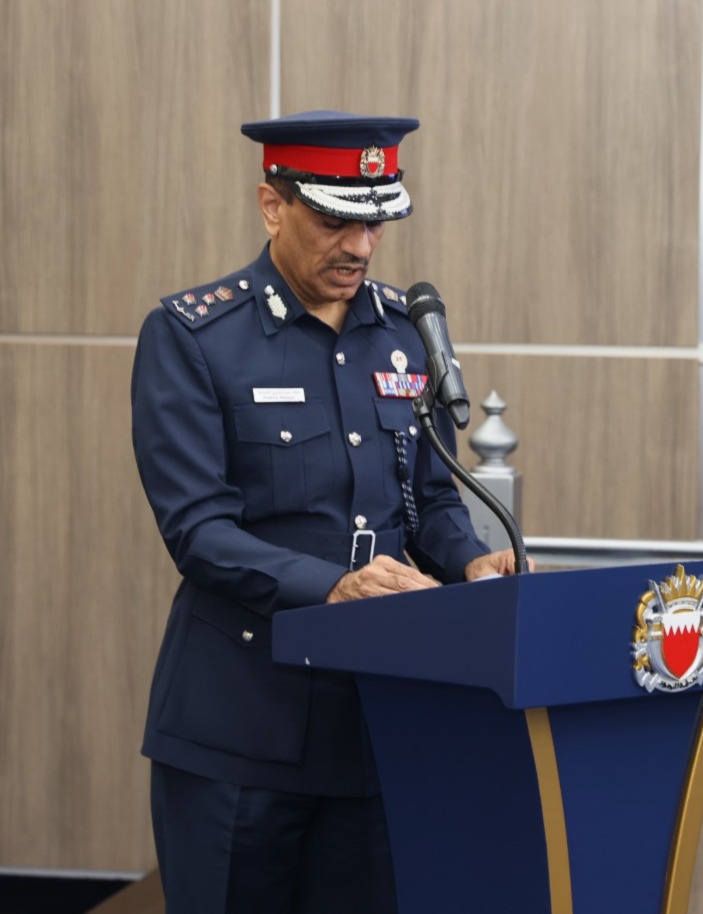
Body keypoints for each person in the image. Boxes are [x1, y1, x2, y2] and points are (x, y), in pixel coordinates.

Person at [130, 110, 520, 913]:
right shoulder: (195, 336)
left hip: (378, 726)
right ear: (272, 206)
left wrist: (470, 559)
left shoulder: (405, 333)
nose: (361, 247)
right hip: (242, 728)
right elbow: (198, 532)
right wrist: (333, 587)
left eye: (375, 224)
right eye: (336, 222)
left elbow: (431, 498)